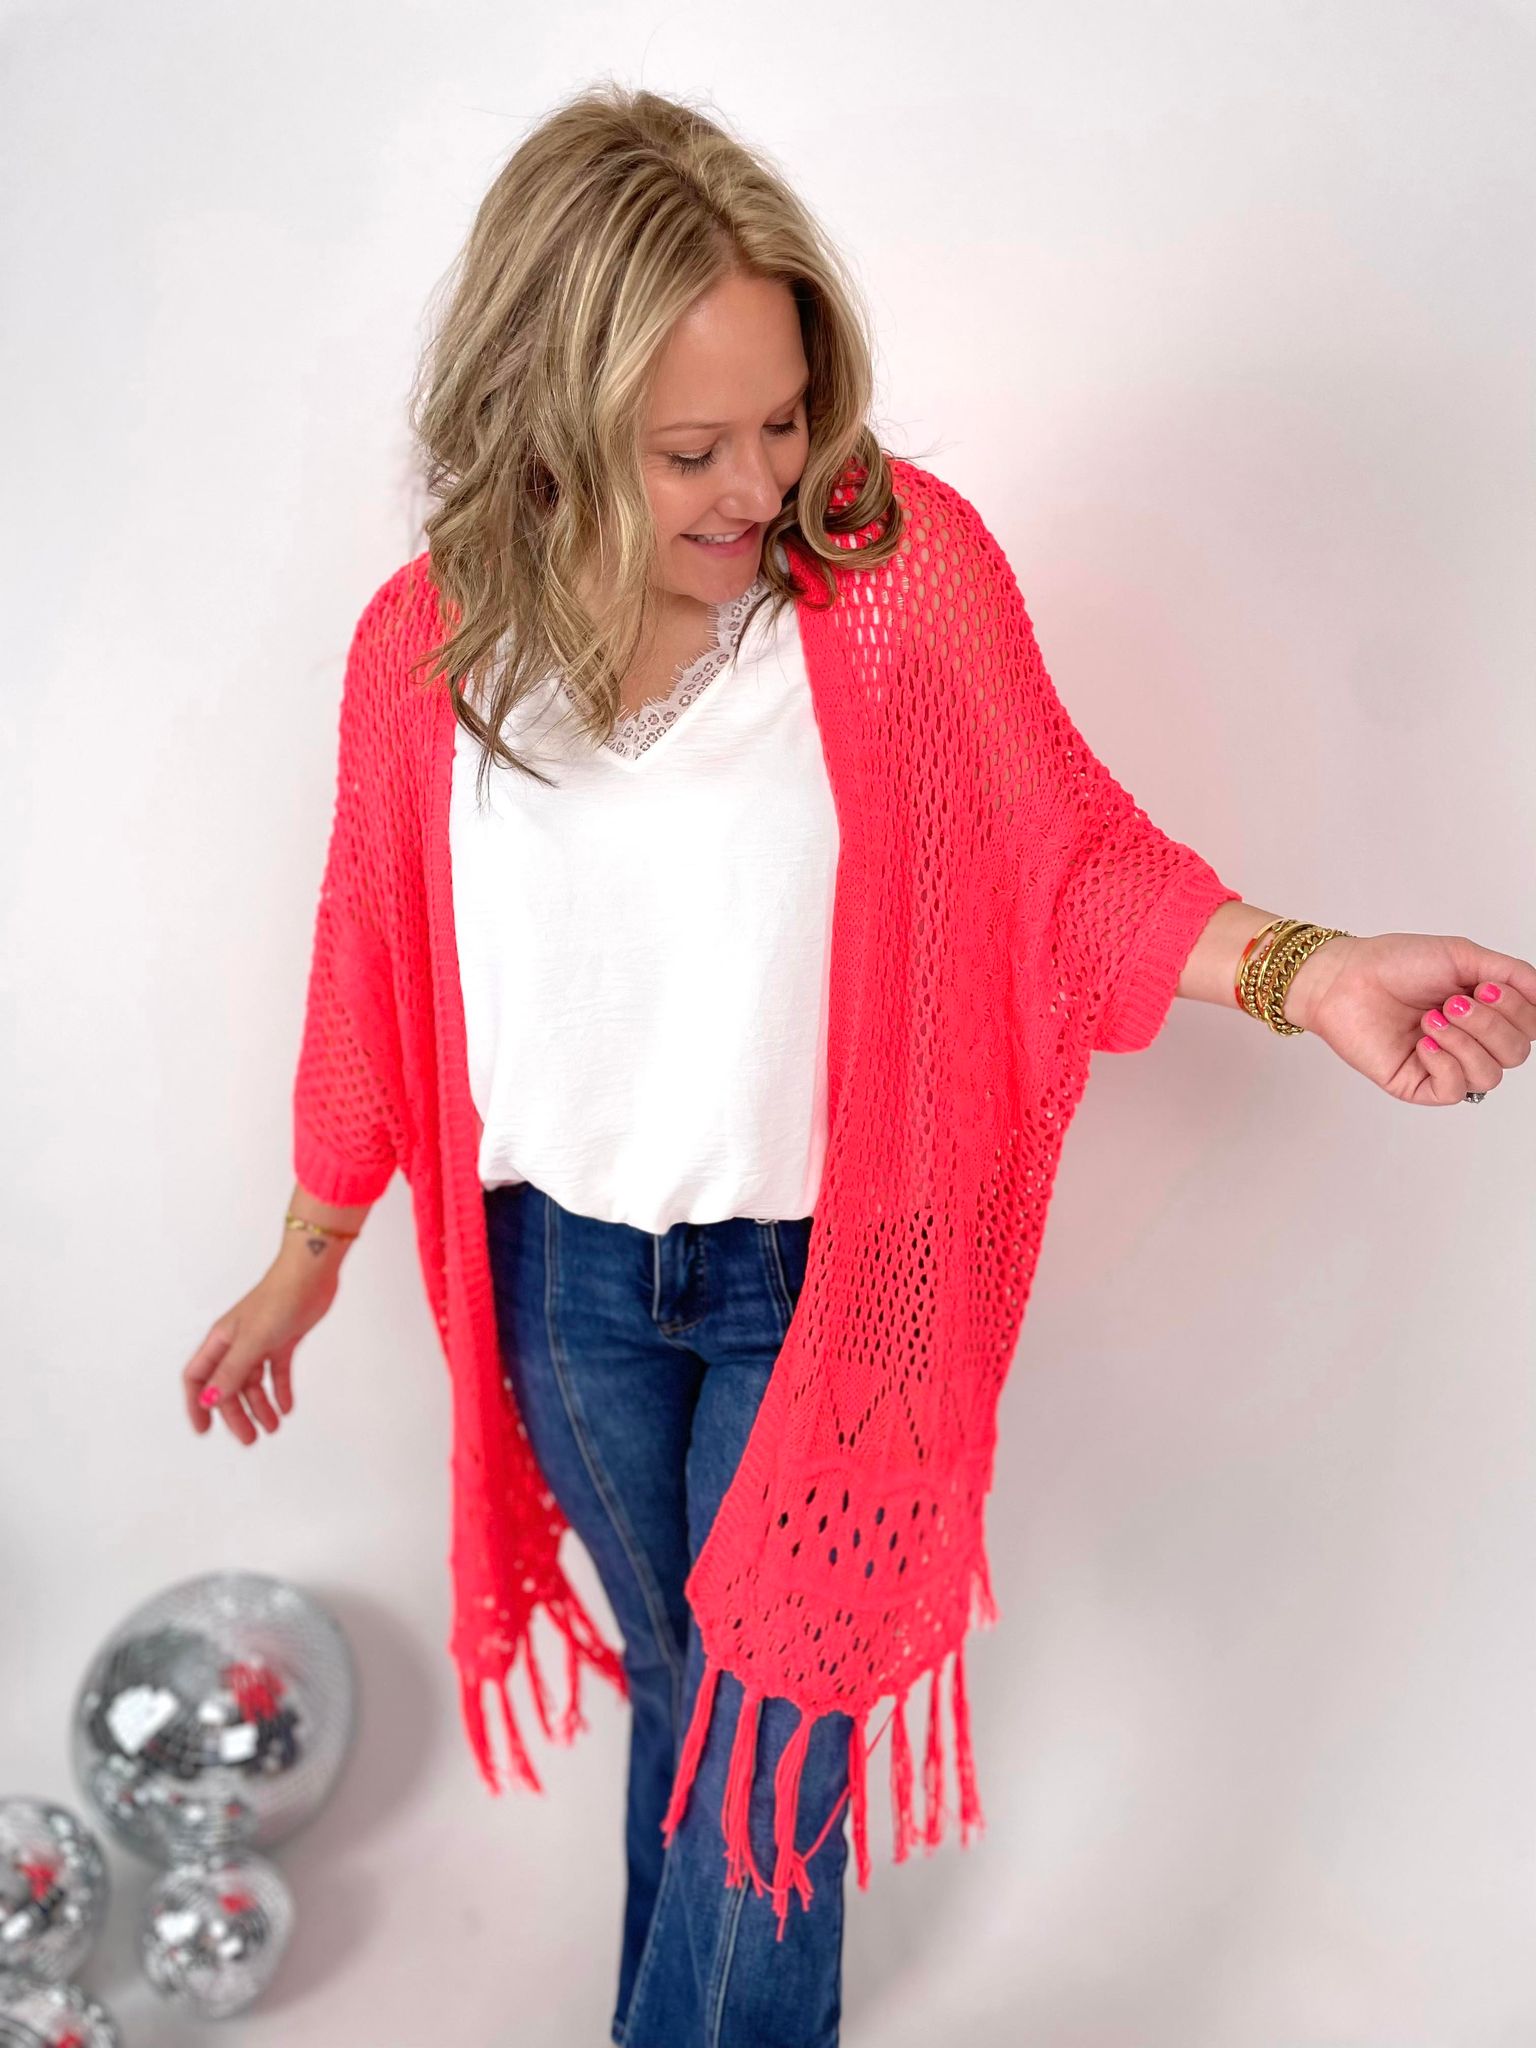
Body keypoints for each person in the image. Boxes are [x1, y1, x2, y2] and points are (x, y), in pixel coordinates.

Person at [179, 82, 1534, 2048]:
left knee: (770, 1723)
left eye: (787, 419)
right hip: (560, 1287)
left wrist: (1308, 969)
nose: (759, 483)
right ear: (549, 422)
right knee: (691, 1687)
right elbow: (367, 956)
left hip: (825, 1289)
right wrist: (310, 1246)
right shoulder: (433, 652)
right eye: (690, 450)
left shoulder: (895, 585)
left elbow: (1064, 863)